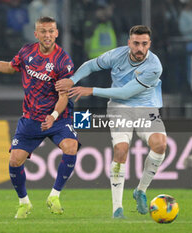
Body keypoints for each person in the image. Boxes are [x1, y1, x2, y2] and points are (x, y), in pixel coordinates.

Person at [0, 16, 80, 219]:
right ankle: (24, 203)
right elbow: (9, 67)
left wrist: (53, 116)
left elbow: (63, 96)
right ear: (36, 34)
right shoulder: (27, 51)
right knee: (15, 160)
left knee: (71, 146)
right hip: (31, 118)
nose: (47, 35)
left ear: (57, 33)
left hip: (58, 118)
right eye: (43, 31)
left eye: (51, 31)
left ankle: (54, 196)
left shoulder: (64, 61)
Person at [56, 25, 167, 219]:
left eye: (144, 44)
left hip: (146, 108)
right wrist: (73, 80)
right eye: (136, 43)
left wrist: (91, 90)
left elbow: (126, 92)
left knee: (160, 145)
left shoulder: (154, 66)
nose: (139, 48)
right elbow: (91, 65)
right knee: (121, 150)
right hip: (119, 108)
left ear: (149, 44)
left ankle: (140, 190)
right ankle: (117, 208)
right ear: (129, 43)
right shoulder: (117, 55)